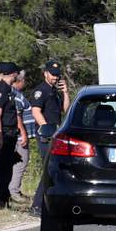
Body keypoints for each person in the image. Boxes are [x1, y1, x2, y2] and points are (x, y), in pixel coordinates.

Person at [30, 59, 70, 216]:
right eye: (52, 75)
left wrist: (65, 92)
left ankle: (46, 204)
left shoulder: (55, 92)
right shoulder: (41, 91)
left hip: (55, 135)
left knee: (54, 170)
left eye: (57, 75)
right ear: (45, 73)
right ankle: (37, 205)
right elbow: (36, 111)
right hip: (46, 136)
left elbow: (66, 110)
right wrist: (47, 129)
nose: (55, 77)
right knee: (49, 169)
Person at [0, 62, 28, 208]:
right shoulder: (3, 89)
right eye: (17, 73)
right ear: (13, 74)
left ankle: (3, 198)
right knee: (0, 167)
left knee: (6, 167)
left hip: (10, 134)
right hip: (4, 134)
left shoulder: (8, 89)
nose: (18, 75)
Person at [8, 70, 35, 205]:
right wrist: (23, 133)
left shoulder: (17, 94)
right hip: (19, 137)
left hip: (20, 136)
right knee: (21, 163)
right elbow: (17, 115)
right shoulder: (16, 96)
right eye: (24, 80)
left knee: (19, 163)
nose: (25, 83)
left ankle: (13, 191)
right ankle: (14, 192)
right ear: (20, 81)